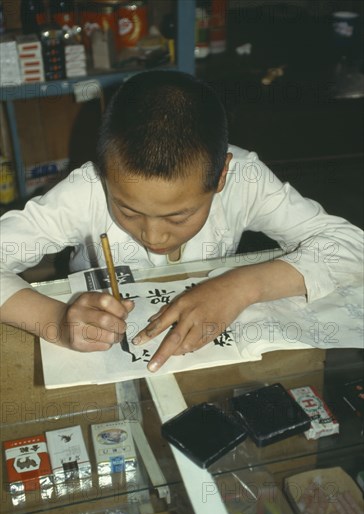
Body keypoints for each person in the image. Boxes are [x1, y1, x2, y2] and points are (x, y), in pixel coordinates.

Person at [0, 70, 362, 373]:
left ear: (220, 178)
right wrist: (58, 322)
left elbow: (351, 245)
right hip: (105, 353)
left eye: (179, 215)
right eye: (127, 211)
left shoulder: (246, 181)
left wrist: (242, 286)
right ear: (104, 173)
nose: (153, 235)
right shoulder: (86, 190)